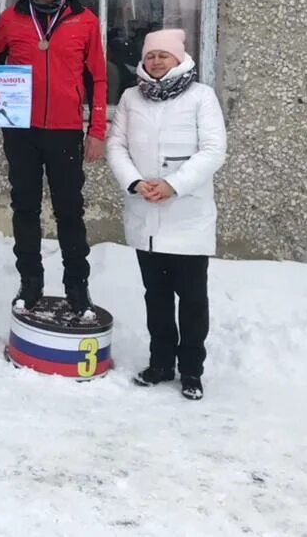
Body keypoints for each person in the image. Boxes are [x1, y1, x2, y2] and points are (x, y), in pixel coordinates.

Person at [0, 0, 107, 314]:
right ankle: (30, 283)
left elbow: (98, 79)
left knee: (69, 211)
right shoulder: (11, 19)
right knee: (25, 209)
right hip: (21, 131)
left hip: (66, 131)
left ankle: (77, 287)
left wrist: (96, 128)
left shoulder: (84, 21)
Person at [106, 28, 227, 401]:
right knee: (155, 297)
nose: (156, 61)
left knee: (192, 301)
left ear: (179, 58)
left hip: (187, 216)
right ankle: (160, 363)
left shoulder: (201, 97)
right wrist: (135, 182)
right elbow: (116, 144)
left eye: (164, 55)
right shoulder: (130, 97)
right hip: (147, 215)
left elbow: (213, 150)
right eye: (151, 55)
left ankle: (191, 370)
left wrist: (174, 184)